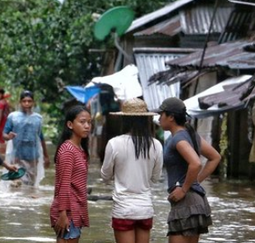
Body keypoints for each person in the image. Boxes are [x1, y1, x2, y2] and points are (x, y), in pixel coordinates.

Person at [158, 97, 221, 243]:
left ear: (171, 117)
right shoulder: (190, 135)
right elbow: (215, 157)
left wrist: (184, 189)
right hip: (196, 201)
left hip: (186, 202)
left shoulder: (178, 139)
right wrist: (194, 181)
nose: (159, 118)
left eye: (162, 114)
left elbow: (196, 163)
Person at [101, 98, 163, 243]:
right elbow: (155, 178)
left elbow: (105, 176)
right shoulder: (156, 145)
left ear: (124, 120)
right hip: (145, 208)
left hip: (123, 209)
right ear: (146, 120)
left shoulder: (114, 143)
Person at [49, 105, 91, 242]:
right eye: (82, 122)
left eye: (89, 122)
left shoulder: (79, 149)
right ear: (70, 124)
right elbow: (64, 185)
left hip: (75, 210)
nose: (87, 126)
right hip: (68, 212)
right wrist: (62, 215)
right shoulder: (68, 150)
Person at [3, 90, 50, 186]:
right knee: (17, 184)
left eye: (29, 101)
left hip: (33, 157)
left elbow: (41, 137)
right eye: (24, 101)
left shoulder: (38, 118)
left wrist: (46, 156)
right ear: (20, 102)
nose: (27, 103)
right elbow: (4, 134)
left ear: (33, 102)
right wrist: (8, 136)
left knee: (30, 185)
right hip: (17, 156)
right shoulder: (13, 117)